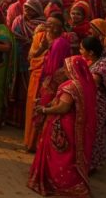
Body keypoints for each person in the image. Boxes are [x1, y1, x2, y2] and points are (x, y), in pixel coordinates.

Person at [27, 55, 96, 198]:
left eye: (66, 67)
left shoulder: (71, 86)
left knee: (59, 156)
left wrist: (44, 110)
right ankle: (75, 184)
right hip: (76, 126)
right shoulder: (85, 85)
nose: (64, 70)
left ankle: (58, 183)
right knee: (70, 156)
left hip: (63, 124)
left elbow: (63, 108)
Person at [25, 14, 73, 151]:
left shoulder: (60, 43)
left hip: (52, 82)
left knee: (45, 112)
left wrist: (49, 83)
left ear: (60, 28)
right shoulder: (41, 36)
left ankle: (40, 146)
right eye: (48, 23)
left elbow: (56, 67)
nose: (49, 27)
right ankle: (32, 143)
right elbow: (31, 56)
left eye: (53, 25)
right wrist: (42, 47)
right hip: (40, 77)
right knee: (35, 109)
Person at [80, 35, 106, 170]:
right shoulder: (94, 61)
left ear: (91, 52)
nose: (80, 51)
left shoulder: (104, 65)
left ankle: (92, 164)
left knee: (94, 134)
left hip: (97, 105)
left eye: (82, 49)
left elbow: (91, 82)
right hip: (90, 102)